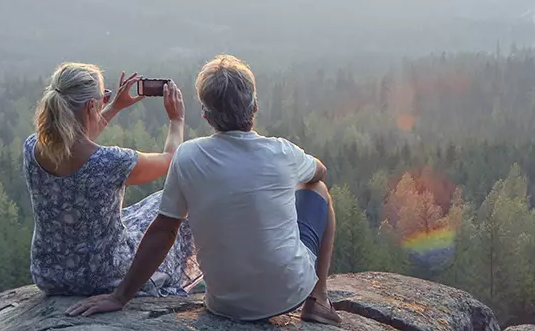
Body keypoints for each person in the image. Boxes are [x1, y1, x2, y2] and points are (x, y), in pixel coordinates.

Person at [67, 55, 341, 326]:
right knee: (318, 189)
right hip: (288, 295)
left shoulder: (188, 156)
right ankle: (318, 299)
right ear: (254, 106)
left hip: (224, 304)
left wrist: (120, 297)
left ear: (206, 115)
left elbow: (163, 231)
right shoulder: (282, 151)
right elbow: (320, 172)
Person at [24, 62, 201, 297]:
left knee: (132, 216)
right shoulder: (111, 162)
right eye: (103, 98)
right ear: (90, 106)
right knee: (173, 204)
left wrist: (115, 106)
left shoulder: (33, 148)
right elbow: (170, 160)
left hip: (49, 275)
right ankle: (166, 278)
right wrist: (177, 120)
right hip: (104, 275)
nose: (105, 101)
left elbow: (73, 140)